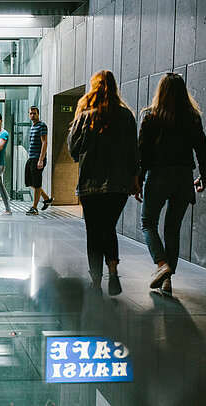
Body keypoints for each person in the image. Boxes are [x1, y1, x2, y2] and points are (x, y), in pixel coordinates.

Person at [67, 70, 140, 296]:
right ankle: (113, 271)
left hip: (90, 183)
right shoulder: (126, 116)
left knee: (93, 231)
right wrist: (135, 180)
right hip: (119, 185)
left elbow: (73, 150)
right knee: (108, 227)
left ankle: (96, 281)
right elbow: (133, 152)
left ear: (94, 88)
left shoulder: (85, 116)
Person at [138, 73, 206, 294]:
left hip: (159, 176)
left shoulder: (151, 117)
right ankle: (168, 281)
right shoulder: (192, 117)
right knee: (172, 229)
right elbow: (202, 149)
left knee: (148, 223)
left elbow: (143, 154)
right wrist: (205, 176)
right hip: (183, 179)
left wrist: (138, 181)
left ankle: (162, 265)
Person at [25, 106, 54, 215]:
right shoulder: (33, 126)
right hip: (31, 157)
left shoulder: (42, 126)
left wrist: (41, 159)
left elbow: (44, 143)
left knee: (36, 184)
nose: (32, 115)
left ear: (38, 114)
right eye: (31, 113)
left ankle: (34, 207)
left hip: (37, 158)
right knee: (30, 182)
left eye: (34, 113)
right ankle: (47, 199)